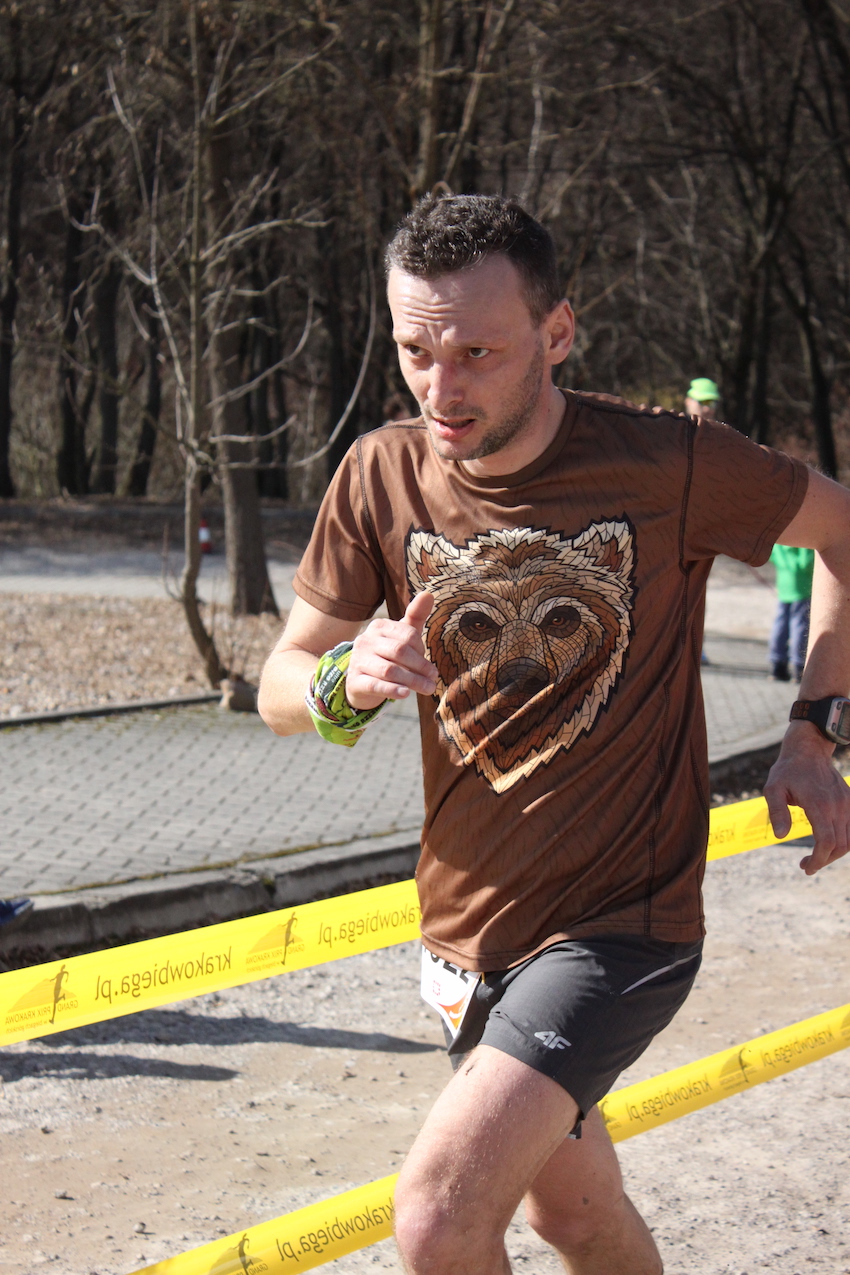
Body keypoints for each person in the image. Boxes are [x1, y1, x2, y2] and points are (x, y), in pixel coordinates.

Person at [258, 194, 850, 1275]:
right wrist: (346, 679)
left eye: (476, 353)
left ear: (558, 332)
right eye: (416, 351)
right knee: (574, 1214)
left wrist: (813, 730)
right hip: (465, 934)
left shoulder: (669, 462)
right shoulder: (379, 474)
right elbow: (280, 683)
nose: (442, 388)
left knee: (438, 1218)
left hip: (622, 927)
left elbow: (845, 532)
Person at [769, 543, 815, 682]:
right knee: (800, 626)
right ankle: (799, 665)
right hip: (802, 585)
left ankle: (777, 664)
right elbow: (806, 562)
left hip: (784, 582)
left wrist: (784, 565)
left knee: (780, 624)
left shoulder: (782, 537)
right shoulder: (804, 536)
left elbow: (772, 554)